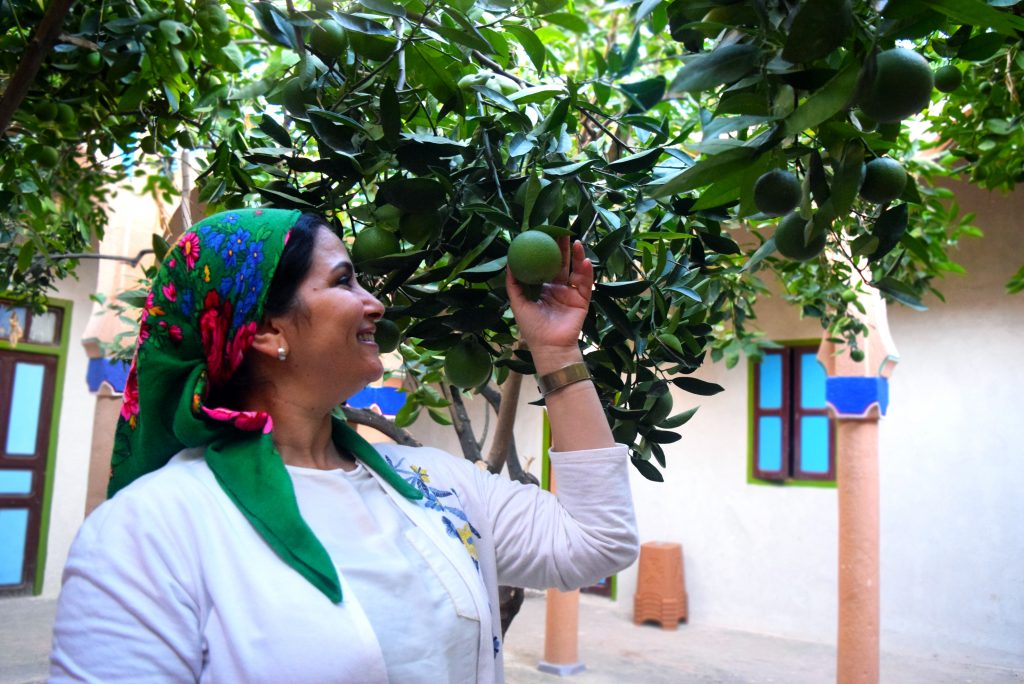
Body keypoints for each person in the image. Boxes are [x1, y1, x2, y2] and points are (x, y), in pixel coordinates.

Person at [49, 208, 638, 683]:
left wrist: (557, 353)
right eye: (343, 281)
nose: (375, 303)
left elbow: (596, 540)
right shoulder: (149, 532)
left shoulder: (436, 486)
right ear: (267, 332)